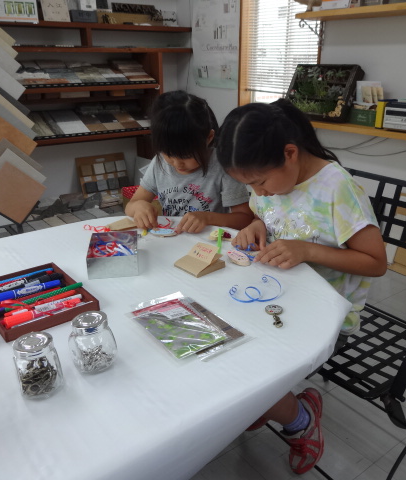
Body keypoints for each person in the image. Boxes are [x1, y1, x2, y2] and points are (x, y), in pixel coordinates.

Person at [215, 99, 387, 475]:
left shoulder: (336, 188)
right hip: (277, 295)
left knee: (247, 372)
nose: (259, 192)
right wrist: (255, 226)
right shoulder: (269, 182)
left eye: (260, 182)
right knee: (217, 340)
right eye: (249, 185)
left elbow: (376, 263)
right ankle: (267, 403)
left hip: (327, 314)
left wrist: (308, 250)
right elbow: (265, 216)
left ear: (290, 154)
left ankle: (301, 419)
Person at [124, 90, 253, 233]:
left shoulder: (223, 166)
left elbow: (245, 218)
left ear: (209, 138)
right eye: (169, 154)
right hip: (173, 238)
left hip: (208, 242)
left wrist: (208, 218)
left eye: (185, 156)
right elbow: (131, 205)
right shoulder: (159, 163)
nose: (177, 163)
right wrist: (139, 207)